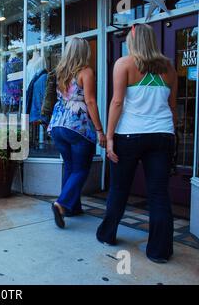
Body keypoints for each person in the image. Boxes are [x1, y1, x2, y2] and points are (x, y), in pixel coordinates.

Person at [96, 24, 178, 264]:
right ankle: (159, 252)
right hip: (162, 135)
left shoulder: (124, 64)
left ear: (133, 41)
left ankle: (107, 235)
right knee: (159, 193)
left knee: (120, 189)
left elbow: (117, 103)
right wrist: (169, 132)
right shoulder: (169, 68)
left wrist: (109, 138)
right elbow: (172, 107)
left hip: (129, 136)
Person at [47, 37, 106, 229]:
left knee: (70, 167)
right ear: (84, 52)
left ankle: (72, 207)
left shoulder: (60, 72)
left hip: (57, 126)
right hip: (77, 126)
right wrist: (99, 130)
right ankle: (62, 203)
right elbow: (90, 102)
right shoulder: (86, 72)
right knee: (81, 169)